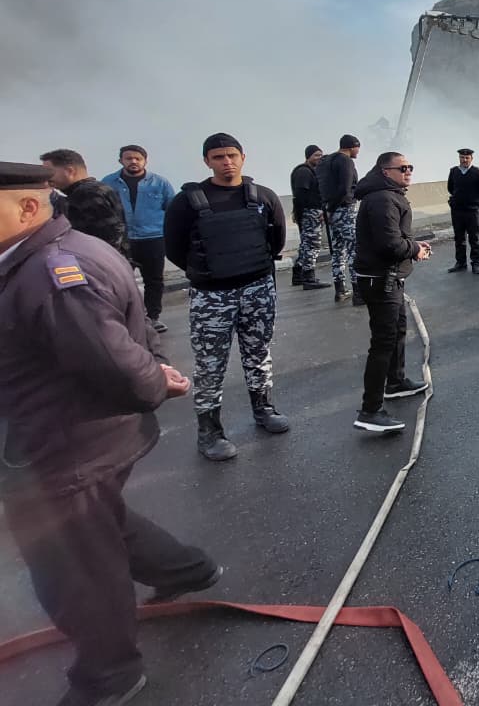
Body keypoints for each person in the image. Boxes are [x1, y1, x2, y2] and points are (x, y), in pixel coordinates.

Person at [0, 161, 220, 706]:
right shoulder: (52, 253)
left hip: (65, 446)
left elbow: (115, 360)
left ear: (27, 207)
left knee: (73, 565)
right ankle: (188, 569)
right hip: (70, 438)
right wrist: (153, 372)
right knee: (100, 523)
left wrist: (155, 381)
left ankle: (109, 673)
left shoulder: (52, 273)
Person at [163, 133, 289, 461]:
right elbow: (174, 248)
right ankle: (209, 431)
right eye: (218, 157)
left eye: (232, 155)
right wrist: (208, 272)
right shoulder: (186, 202)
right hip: (212, 297)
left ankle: (264, 408)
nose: (227, 162)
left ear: (243, 157)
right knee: (210, 364)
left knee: (258, 354)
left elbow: (275, 240)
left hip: (258, 290)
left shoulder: (263, 197)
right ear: (207, 161)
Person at [352, 152, 432, 433]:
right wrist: (415, 250)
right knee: (383, 342)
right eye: (403, 168)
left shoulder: (388, 195)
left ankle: (395, 382)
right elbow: (389, 244)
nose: (408, 171)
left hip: (389, 278)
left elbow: (394, 237)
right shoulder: (383, 199)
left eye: (410, 167)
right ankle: (370, 410)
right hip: (381, 280)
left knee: (397, 330)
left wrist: (413, 245)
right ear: (386, 172)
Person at [102, 144, 178, 332]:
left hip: (153, 238)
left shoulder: (160, 183)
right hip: (122, 240)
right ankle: (126, 319)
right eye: (129, 158)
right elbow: (102, 210)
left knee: (154, 280)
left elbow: (173, 209)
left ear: (145, 160)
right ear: (121, 161)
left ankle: (153, 317)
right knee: (120, 281)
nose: (134, 161)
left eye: (138, 158)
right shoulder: (109, 183)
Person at [40, 148, 128, 256]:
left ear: (70, 171)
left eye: (49, 173)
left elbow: (111, 232)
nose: (46, 178)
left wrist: (98, 258)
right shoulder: (99, 188)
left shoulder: (85, 194)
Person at [320, 134, 361, 303]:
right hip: (344, 210)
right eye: (357, 148)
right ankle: (358, 292)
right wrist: (333, 208)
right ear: (352, 146)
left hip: (331, 212)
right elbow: (345, 188)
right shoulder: (345, 161)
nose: (358, 151)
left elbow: (322, 187)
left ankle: (340, 290)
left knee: (337, 252)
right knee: (353, 251)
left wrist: (328, 209)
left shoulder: (325, 161)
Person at [446, 147, 479, 275]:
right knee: (459, 238)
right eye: (462, 157)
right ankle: (460, 263)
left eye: (467, 158)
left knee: (474, 238)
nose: (464, 160)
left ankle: (475, 263)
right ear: (459, 158)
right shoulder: (454, 171)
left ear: (471, 159)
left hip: (472, 211)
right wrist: (457, 199)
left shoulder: (478, 173)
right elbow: (450, 188)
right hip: (457, 211)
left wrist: (477, 199)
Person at [289, 145, 331, 291]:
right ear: (308, 157)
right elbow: (300, 195)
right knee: (312, 245)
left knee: (306, 245)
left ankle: (298, 275)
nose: (320, 158)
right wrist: (305, 213)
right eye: (316, 155)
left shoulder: (311, 171)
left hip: (311, 211)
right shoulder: (304, 172)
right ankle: (309, 278)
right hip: (310, 212)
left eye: (321, 155)